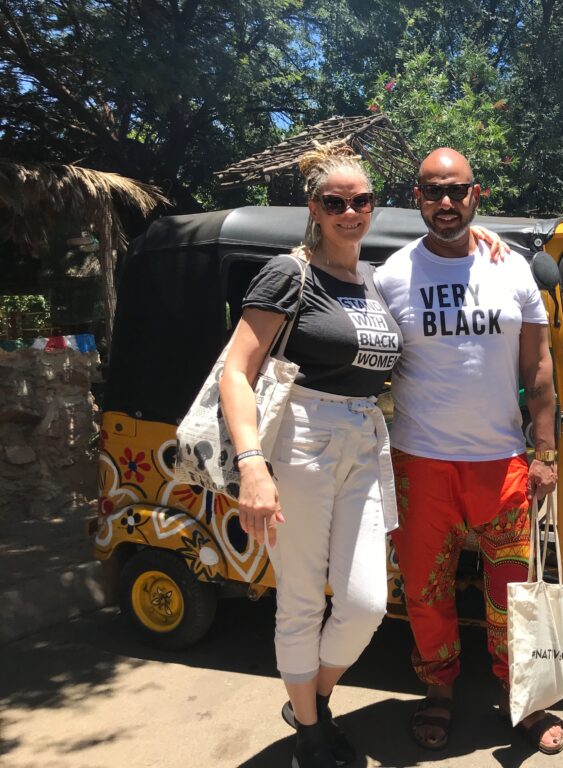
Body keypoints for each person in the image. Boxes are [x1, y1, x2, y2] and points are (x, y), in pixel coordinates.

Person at [375, 148, 563, 755]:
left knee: (515, 591)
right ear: (418, 199)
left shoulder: (511, 268)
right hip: (418, 462)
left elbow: (538, 368)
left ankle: (528, 700)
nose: (447, 203)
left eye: (457, 191)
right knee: (425, 592)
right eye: (434, 192)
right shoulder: (391, 276)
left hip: (503, 463)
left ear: (476, 194)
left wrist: (545, 452)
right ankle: (439, 692)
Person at [220, 143, 402, 768]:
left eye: (361, 201)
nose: (350, 211)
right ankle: (311, 733)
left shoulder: (373, 279)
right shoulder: (288, 271)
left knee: (365, 603)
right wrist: (251, 465)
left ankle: (312, 699)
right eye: (336, 202)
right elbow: (236, 373)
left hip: (363, 438)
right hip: (302, 434)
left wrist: (485, 243)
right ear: (315, 209)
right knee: (301, 596)